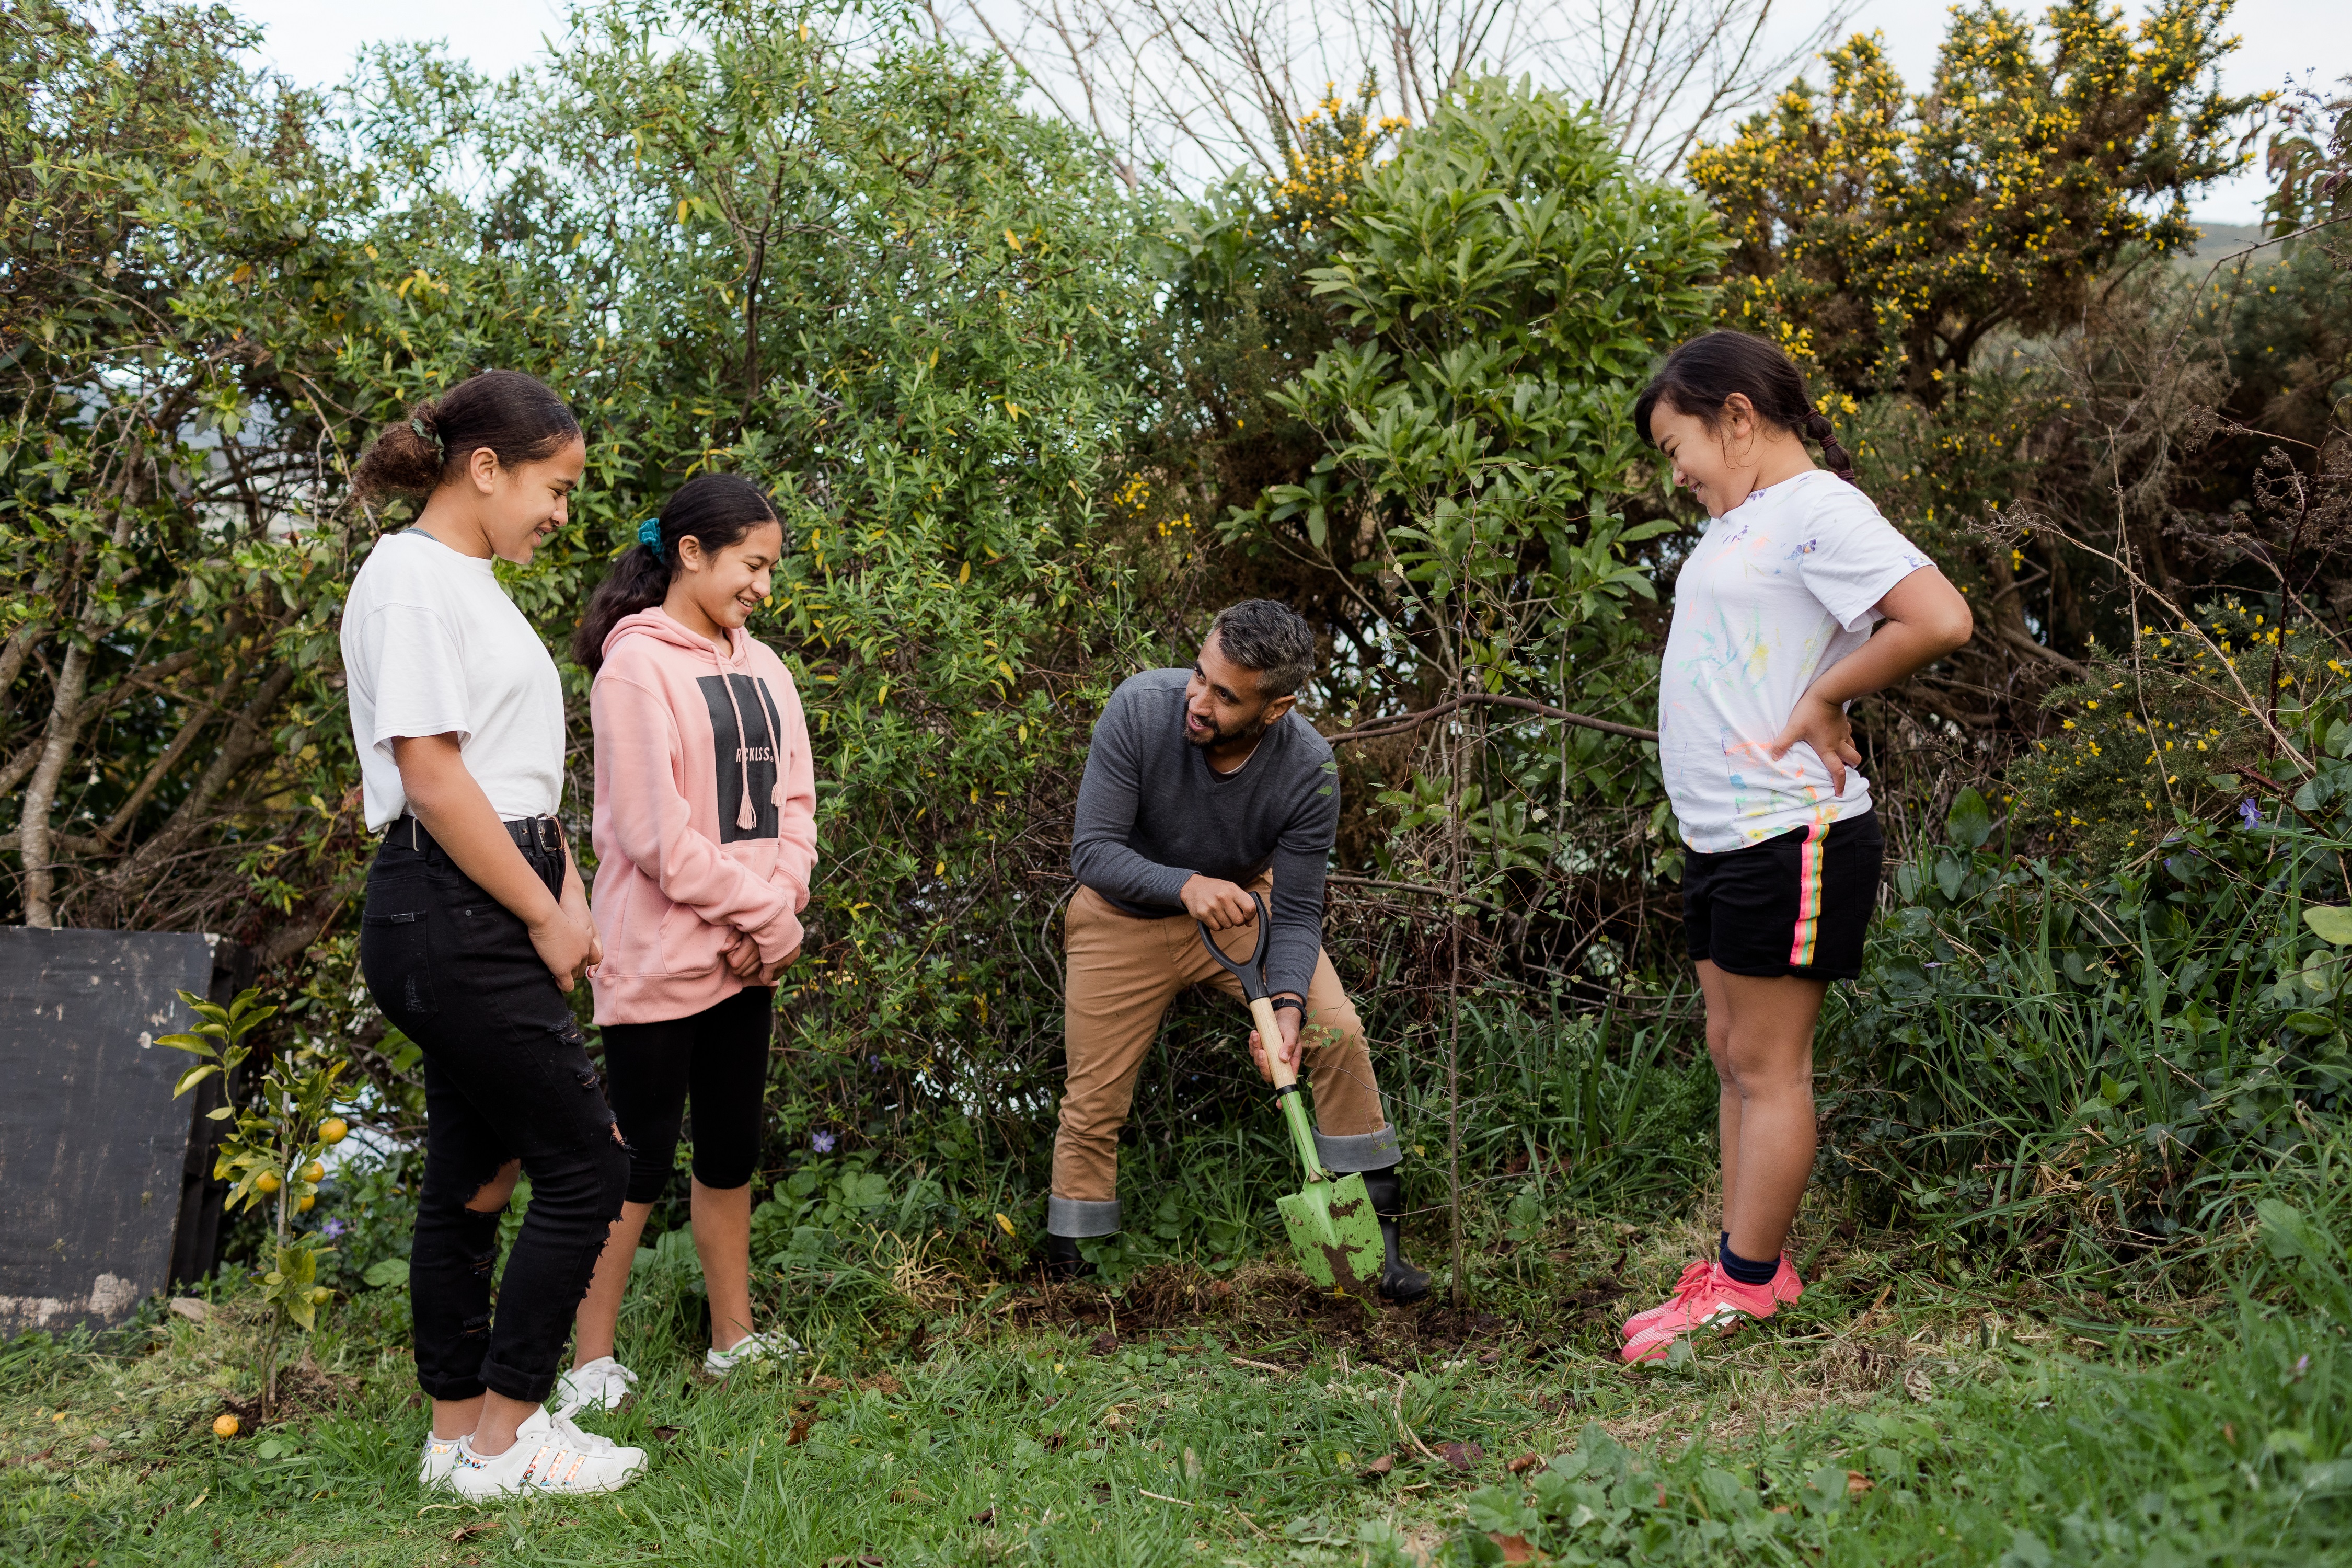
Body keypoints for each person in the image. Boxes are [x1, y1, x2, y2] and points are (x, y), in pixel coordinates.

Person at [1618, 330, 1974, 1364]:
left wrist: (1828, 693)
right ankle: (1749, 1264)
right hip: (1723, 832)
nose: (1674, 469)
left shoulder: (1818, 508)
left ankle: (1740, 1289)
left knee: (1769, 1067)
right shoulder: (1747, 519)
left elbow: (1938, 616)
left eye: (1677, 442)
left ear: (1735, 415)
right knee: (1733, 1057)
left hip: (1794, 830)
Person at [343, 370, 647, 1496]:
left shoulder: (465, 581)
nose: (564, 513)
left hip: (486, 897)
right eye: (555, 487)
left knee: (476, 1178)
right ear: (486, 468)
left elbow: (517, 783)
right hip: (451, 905)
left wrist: (565, 906)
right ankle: (508, 1439)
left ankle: (454, 1433)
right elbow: (431, 774)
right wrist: (535, 907)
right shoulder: (412, 581)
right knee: (588, 1167)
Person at [1047, 599, 1430, 1301]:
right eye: (1200, 676)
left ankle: (1373, 1253)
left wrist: (1286, 1008)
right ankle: (1077, 1277)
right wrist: (1184, 884)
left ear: (1275, 707)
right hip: (1121, 917)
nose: (1198, 701)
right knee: (1094, 1099)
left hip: (1241, 916)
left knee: (1333, 1031)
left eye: (1225, 697)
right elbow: (1093, 852)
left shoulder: (1309, 768)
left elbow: (1299, 912)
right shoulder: (1138, 710)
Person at [554, 474, 818, 1413]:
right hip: (660, 960)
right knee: (636, 1158)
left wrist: (773, 918)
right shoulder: (635, 665)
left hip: (747, 959)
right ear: (693, 553)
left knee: (731, 1151)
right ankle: (589, 1361)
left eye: (772, 569)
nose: (764, 587)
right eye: (754, 564)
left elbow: (796, 810)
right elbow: (653, 837)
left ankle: (732, 1340)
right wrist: (768, 917)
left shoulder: (769, 669)